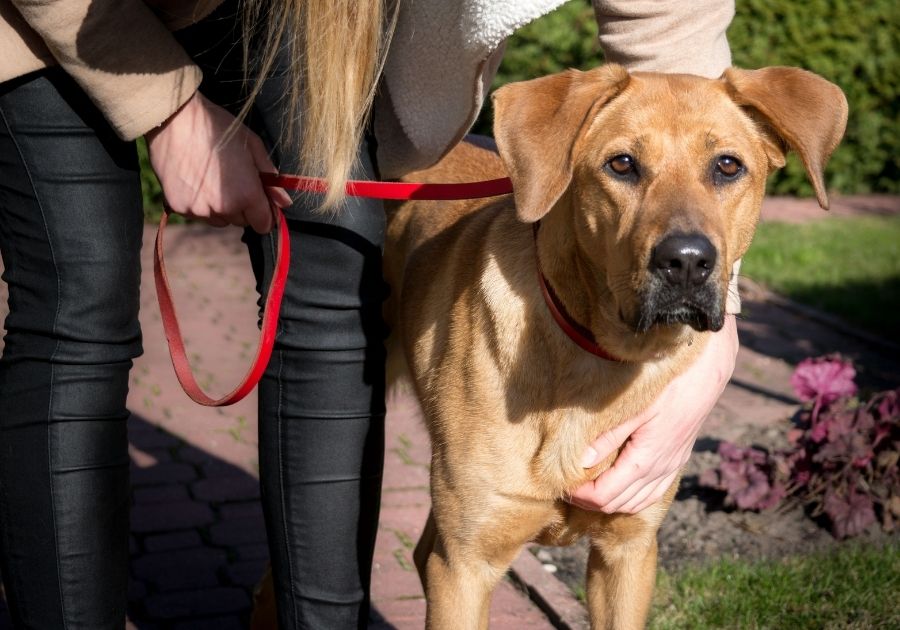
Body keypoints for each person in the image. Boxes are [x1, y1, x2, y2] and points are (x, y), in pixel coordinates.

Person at [0, 1, 737, 629]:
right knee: (78, 314)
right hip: (59, 20)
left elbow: (670, 28)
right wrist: (168, 111)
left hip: (304, 17)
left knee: (331, 296)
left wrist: (716, 343)